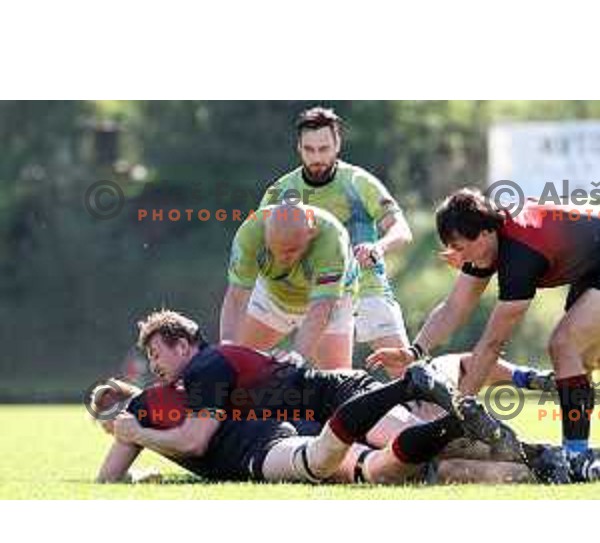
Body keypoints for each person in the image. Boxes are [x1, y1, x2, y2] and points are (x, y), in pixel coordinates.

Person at [90, 309, 567, 486]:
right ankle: (548, 464)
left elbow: (194, 438)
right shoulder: (207, 370)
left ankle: (544, 457)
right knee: (421, 467)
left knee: (429, 444)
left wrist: (135, 429)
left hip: (341, 394)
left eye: (156, 353)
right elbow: (176, 406)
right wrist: (127, 396)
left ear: (183, 344)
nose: (155, 366)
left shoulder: (205, 369)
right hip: (327, 413)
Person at [367, 188, 600, 458]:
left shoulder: (519, 255)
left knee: (564, 344)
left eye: (460, 248)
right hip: (591, 265)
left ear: (485, 234)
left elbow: (492, 344)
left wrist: (459, 410)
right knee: (579, 360)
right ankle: (579, 455)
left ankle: (575, 456)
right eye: (453, 249)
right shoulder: (486, 242)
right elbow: (454, 308)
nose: (459, 258)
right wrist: (414, 352)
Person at [259, 106, 412, 354]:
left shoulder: (358, 182)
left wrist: (379, 247)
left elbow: (402, 230)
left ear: (337, 145)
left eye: (324, 149)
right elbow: (263, 243)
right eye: (309, 149)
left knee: (406, 371)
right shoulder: (281, 191)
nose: (316, 157)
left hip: (366, 285)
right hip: (315, 293)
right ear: (299, 147)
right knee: (331, 379)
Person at [220, 203, 358, 369]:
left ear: (311, 234)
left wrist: (297, 355)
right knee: (233, 365)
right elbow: (237, 295)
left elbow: (322, 307)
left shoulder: (332, 238)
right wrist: (227, 344)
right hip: (274, 296)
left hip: (332, 299)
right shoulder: (251, 232)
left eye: (290, 251)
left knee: (338, 379)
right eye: (274, 250)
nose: (281, 259)